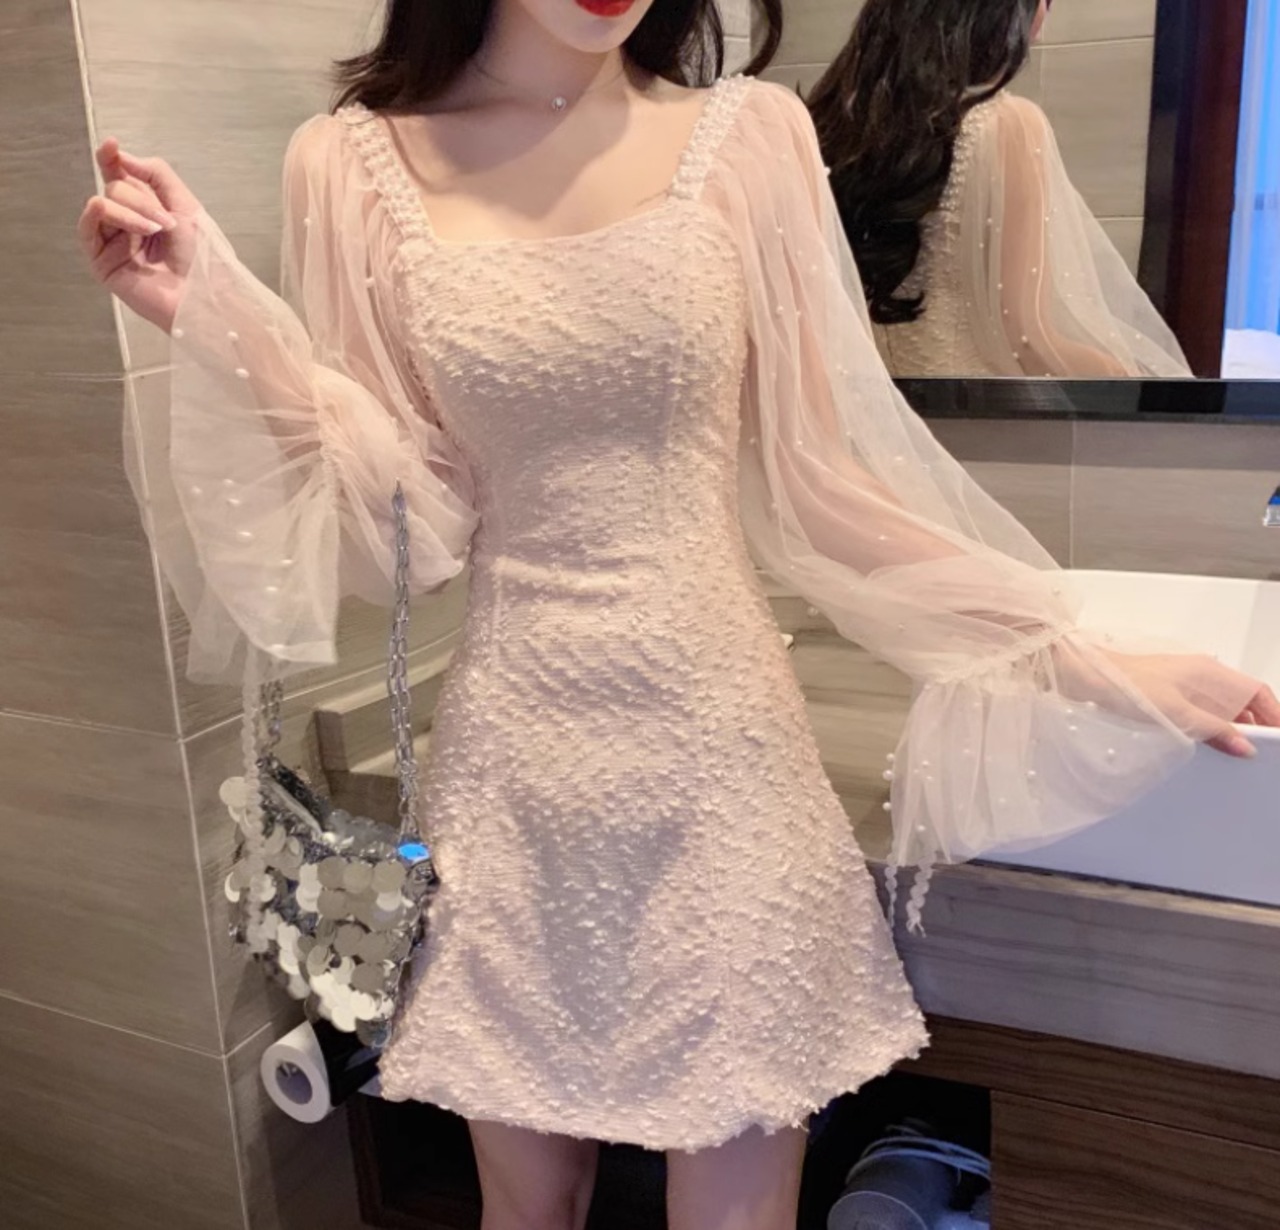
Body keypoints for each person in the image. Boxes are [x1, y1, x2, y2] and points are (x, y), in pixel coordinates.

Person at [78, 2, 1276, 1227]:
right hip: (516, 767)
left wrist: (1074, 655)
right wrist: (220, 322)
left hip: (719, 758)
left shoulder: (751, 134)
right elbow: (412, 522)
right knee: (526, 1211)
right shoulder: (343, 162)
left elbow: (823, 484)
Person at [808, 0, 1194, 380]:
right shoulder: (1006, 124)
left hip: (872, 404)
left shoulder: (840, 125)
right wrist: (1125, 380)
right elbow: (1026, 338)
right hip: (975, 410)